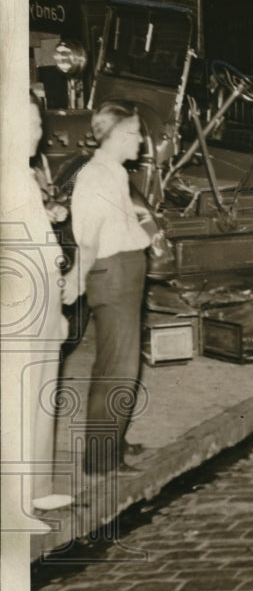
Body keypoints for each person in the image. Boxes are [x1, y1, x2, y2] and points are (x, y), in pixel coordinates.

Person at [62, 99, 151, 477]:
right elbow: (88, 237)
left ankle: (113, 439)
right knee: (118, 369)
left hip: (123, 272)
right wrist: (76, 278)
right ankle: (101, 460)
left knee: (118, 363)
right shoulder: (97, 175)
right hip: (112, 274)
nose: (141, 141)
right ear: (114, 137)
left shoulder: (112, 170)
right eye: (134, 133)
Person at [1, 93, 75, 516]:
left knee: (43, 389)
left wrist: (58, 305)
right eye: (27, 124)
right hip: (21, 298)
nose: (38, 133)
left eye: (38, 123)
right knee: (21, 397)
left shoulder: (24, 176)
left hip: (44, 292)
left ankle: (38, 487)